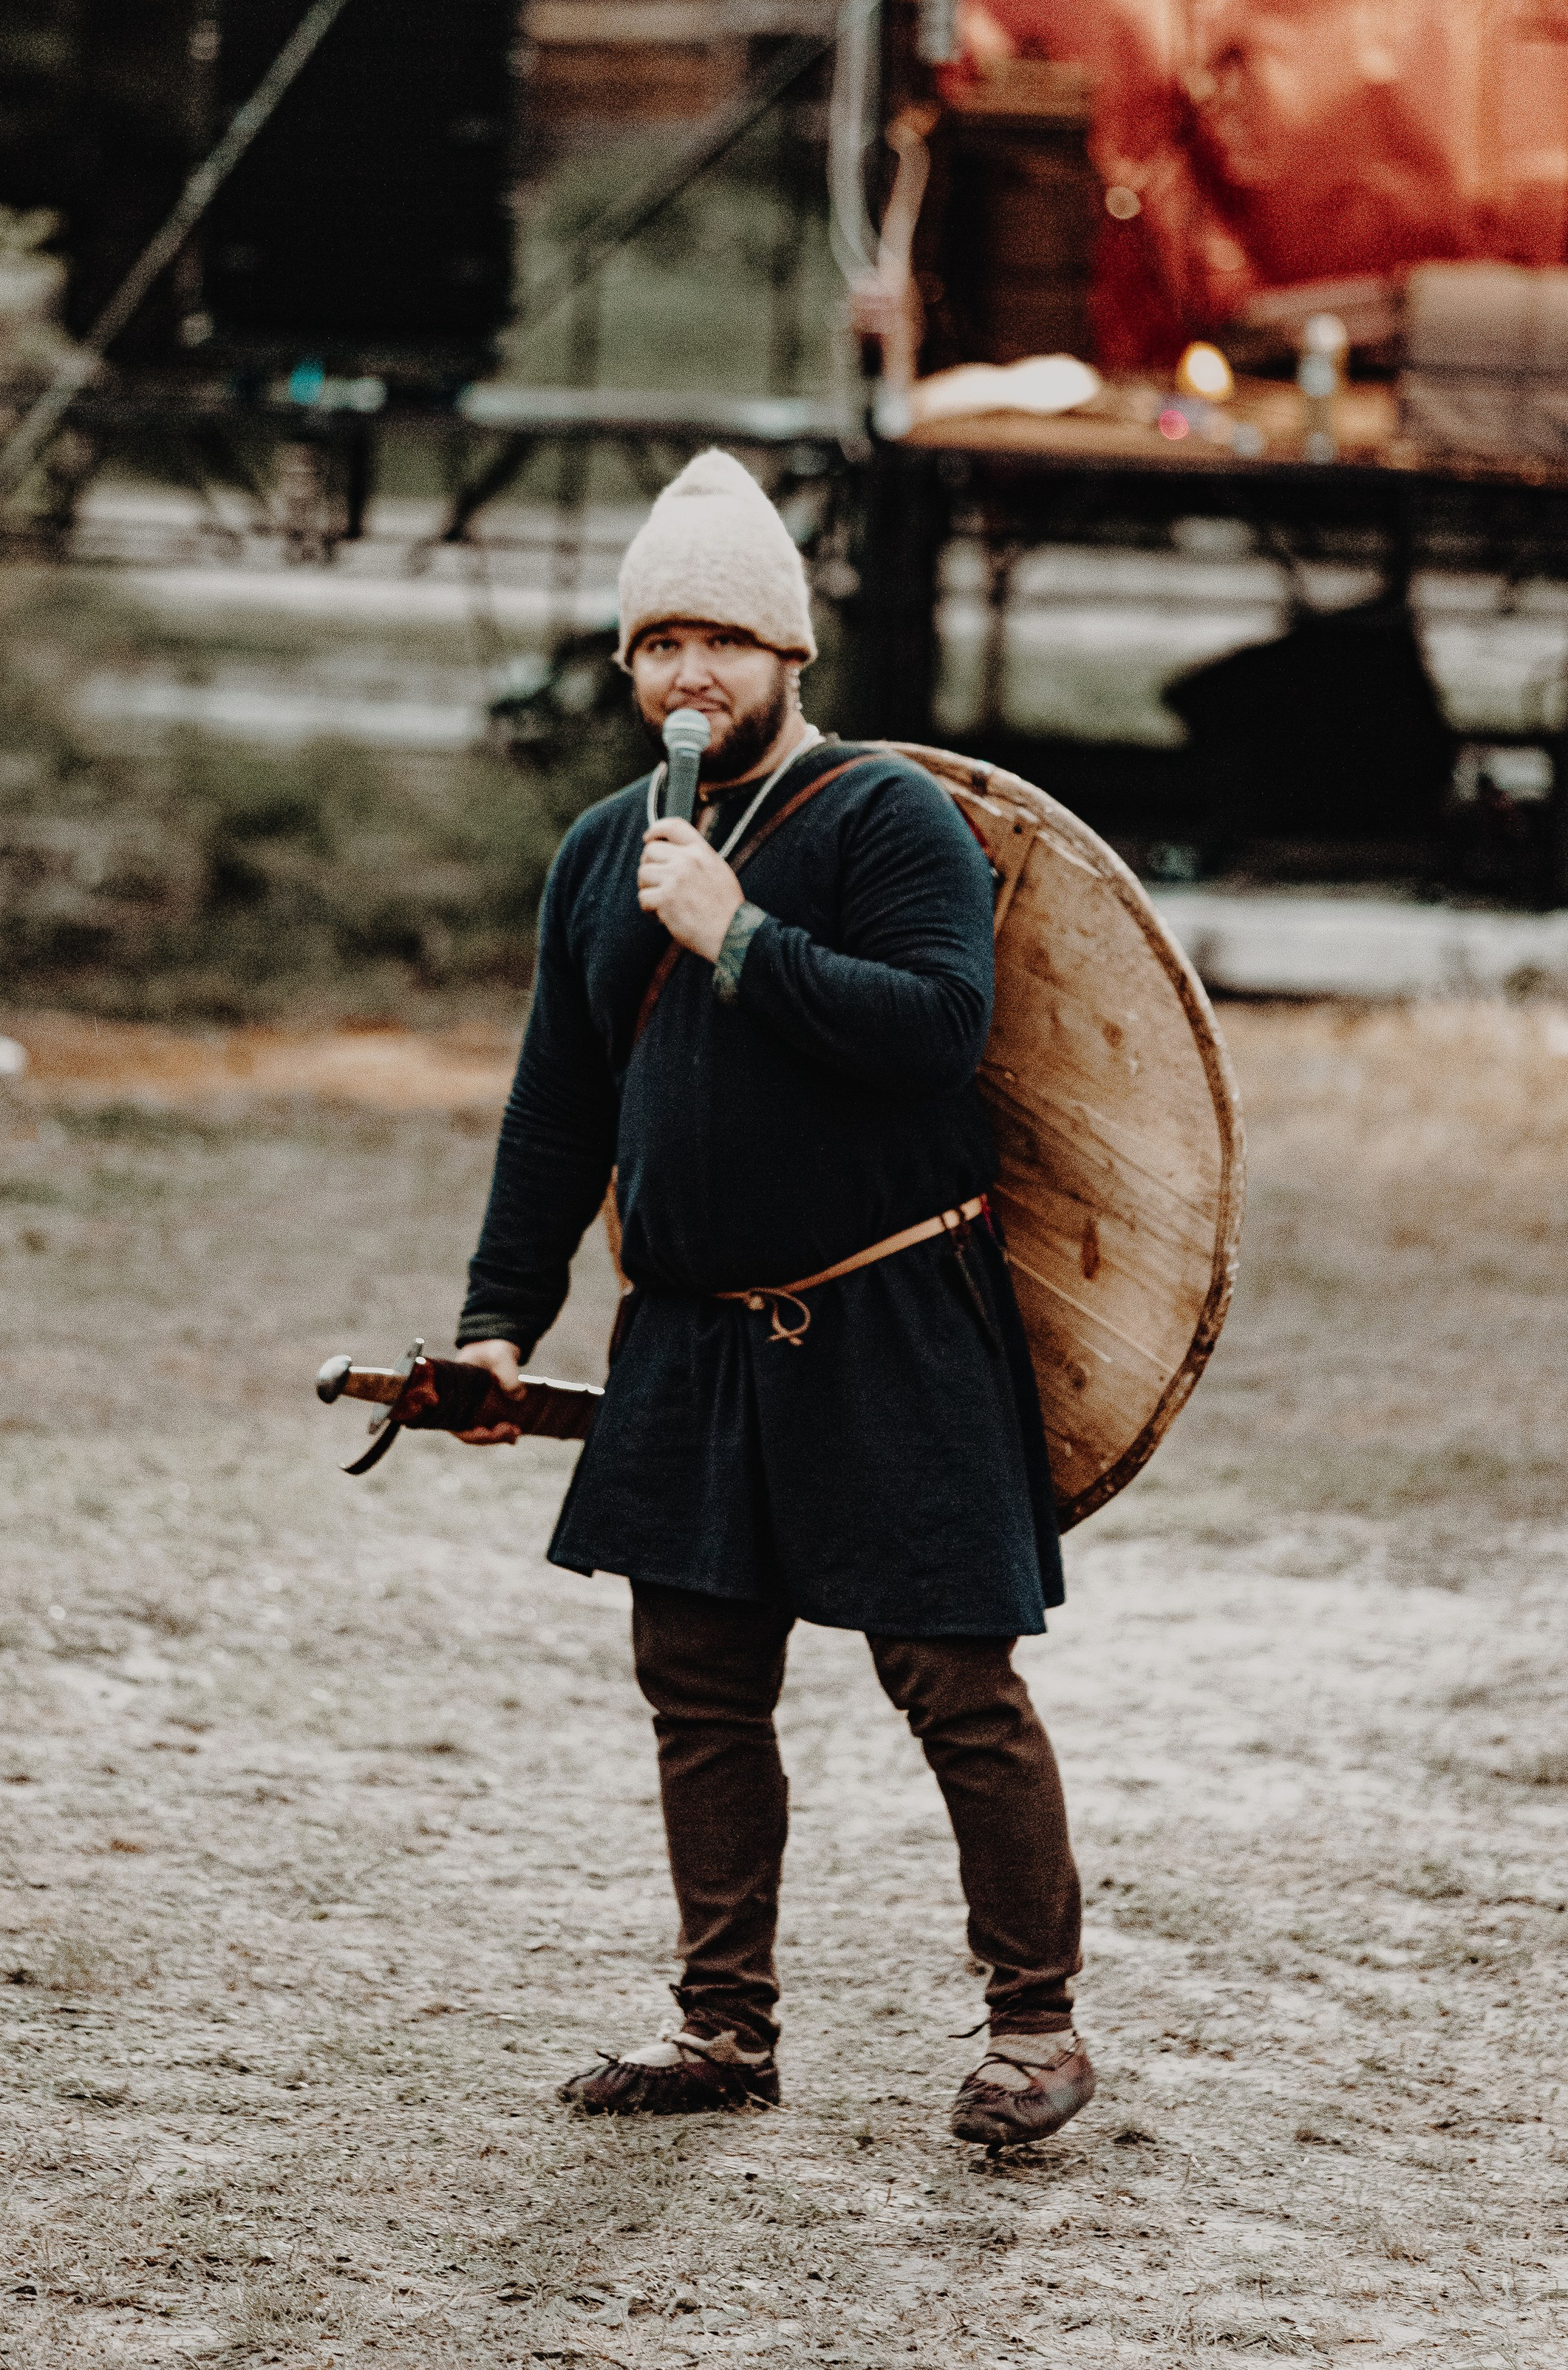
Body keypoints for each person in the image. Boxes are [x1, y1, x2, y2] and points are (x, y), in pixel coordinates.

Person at [453, 449, 1091, 2150]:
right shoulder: (602, 853)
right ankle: (721, 2024)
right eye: (656, 643)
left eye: (719, 641)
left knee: (954, 1677)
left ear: (786, 657)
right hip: (691, 1328)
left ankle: (1033, 2024)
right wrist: (496, 1319)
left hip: (888, 1315)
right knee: (695, 1674)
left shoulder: (886, 816)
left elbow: (931, 1029)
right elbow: (554, 1108)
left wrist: (735, 934)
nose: (685, 676)